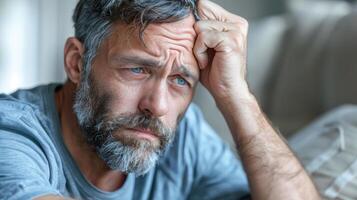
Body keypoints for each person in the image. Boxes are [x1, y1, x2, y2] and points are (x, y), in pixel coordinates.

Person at [0, 0, 320, 199]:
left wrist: (236, 94)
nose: (158, 106)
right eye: (138, 69)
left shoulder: (184, 138)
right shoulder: (11, 132)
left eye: (180, 80)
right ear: (76, 62)